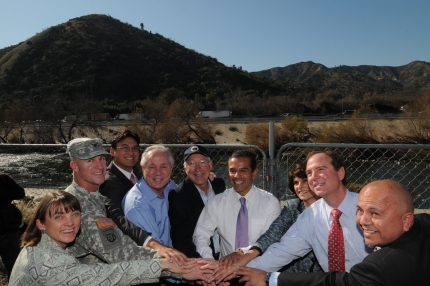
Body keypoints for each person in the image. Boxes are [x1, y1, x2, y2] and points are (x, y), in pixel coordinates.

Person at [236, 180, 430, 286]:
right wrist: (242, 261)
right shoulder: (424, 223)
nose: (363, 220)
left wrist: (271, 279)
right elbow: (281, 247)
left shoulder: (380, 266)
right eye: (360, 210)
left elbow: (337, 281)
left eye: (375, 213)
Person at [64, 138, 199, 282]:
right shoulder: (76, 205)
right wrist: (180, 267)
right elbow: (120, 253)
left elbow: (123, 238)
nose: (100, 166)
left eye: (102, 158)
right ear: (74, 166)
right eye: (90, 160)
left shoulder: (96, 196)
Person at [9, 191, 202, 286]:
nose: (70, 223)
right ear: (40, 223)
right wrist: (165, 265)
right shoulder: (47, 260)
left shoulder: (40, 245)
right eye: (59, 217)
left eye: (75, 214)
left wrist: (179, 269)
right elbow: (103, 275)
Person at [245, 151, 372, 273]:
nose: (314, 177)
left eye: (321, 169)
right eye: (309, 173)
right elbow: (281, 252)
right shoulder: (310, 216)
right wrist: (236, 272)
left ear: (340, 173)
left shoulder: (369, 208)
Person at [219, 163, 322, 274]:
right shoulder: (292, 208)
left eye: (305, 181)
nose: (300, 187)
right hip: (290, 274)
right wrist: (243, 254)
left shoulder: (329, 210)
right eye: (296, 183)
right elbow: (272, 234)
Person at [100, 130, 180, 259]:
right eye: (124, 148)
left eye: (135, 148)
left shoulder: (139, 173)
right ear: (112, 151)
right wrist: (151, 242)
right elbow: (118, 218)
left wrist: (200, 181)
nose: (131, 153)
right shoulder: (109, 182)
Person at [193, 149, 281, 259]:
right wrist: (210, 261)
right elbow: (201, 234)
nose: (236, 175)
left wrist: (241, 253)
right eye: (232, 170)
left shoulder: (270, 203)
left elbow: (271, 240)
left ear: (254, 173)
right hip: (225, 271)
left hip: (258, 269)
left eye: (243, 170)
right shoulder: (217, 202)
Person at [169, 145, 226, 259]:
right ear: (185, 168)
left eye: (202, 162)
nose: (198, 168)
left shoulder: (219, 185)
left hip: (225, 255)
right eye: (191, 163)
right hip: (200, 259)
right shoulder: (178, 196)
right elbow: (181, 239)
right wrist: (202, 263)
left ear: (210, 165)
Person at [123, 145, 178, 247]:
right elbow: (156, 250)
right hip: (159, 260)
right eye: (151, 167)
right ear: (143, 169)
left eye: (163, 166)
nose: (158, 172)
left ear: (171, 169)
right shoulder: (137, 205)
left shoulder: (170, 186)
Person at [0, 173, 26, 281]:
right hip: (10, 233)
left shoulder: (3, 179)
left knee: (15, 270)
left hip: (10, 233)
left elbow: (21, 193)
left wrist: (2, 194)